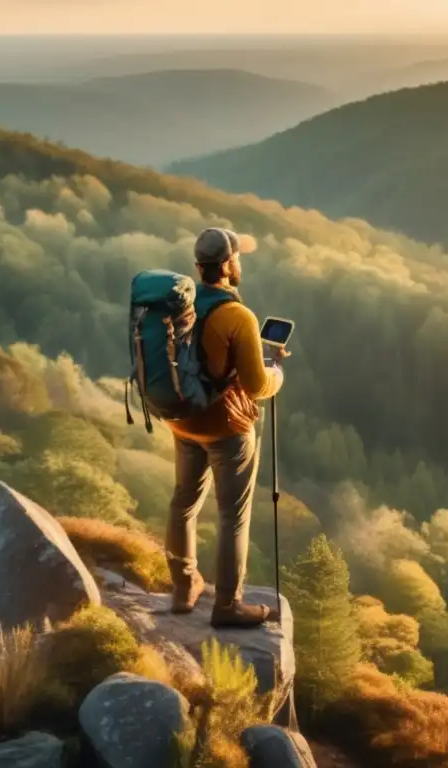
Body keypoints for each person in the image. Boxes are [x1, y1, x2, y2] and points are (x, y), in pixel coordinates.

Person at [164, 226, 287, 628]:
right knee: (232, 515)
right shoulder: (237, 315)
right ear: (229, 264)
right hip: (227, 428)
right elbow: (256, 385)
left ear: (199, 267)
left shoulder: (180, 305)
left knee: (184, 501)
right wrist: (278, 371)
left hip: (183, 421)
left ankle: (184, 588)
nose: (241, 264)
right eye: (239, 258)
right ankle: (228, 605)